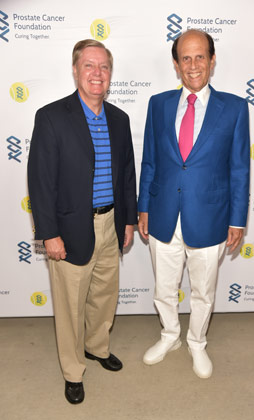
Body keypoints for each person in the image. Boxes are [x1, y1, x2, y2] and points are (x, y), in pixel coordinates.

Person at [27, 39, 137, 404]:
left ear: (110, 74)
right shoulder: (51, 117)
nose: (97, 73)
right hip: (70, 229)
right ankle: (73, 371)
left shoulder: (119, 119)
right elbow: (41, 181)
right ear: (75, 70)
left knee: (104, 295)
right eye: (89, 65)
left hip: (111, 224)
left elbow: (127, 175)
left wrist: (128, 220)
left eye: (104, 66)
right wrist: (49, 234)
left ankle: (96, 347)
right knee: (70, 306)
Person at [138, 29, 250, 379]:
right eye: (185, 58)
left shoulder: (234, 108)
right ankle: (170, 336)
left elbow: (239, 168)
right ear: (176, 64)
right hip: (163, 214)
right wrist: (143, 207)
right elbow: (150, 160)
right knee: (164, 288)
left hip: (210, 216)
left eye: (200, 56)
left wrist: (237, 219)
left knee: (203, 291)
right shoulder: (158, 104)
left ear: (212, 60)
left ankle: (197, 342)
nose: (193, 65)